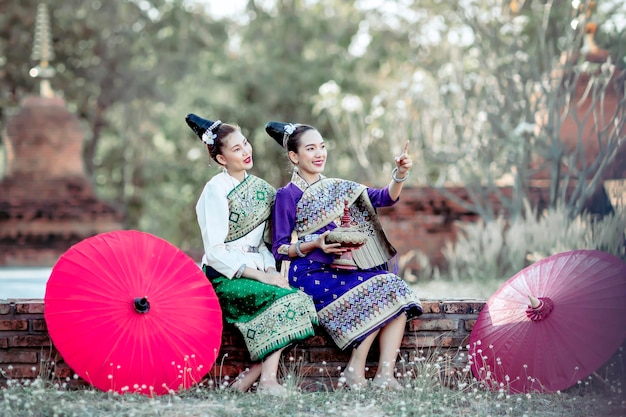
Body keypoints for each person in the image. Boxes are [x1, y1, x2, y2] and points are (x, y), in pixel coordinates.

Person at [266, 121, 423, 390]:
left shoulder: (338, 187)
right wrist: (315, 244)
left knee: (396, 289)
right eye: (311, 148)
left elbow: (384, 198)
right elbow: (279, 249)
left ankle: (385, 375)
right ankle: (354, 370)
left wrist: (399, 173)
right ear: (294, 156)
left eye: (322, 147)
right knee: (379, 290)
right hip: (310, 274)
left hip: (345, 269)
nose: (319, 154)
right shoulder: (286, 196)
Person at [186, 114, 318, 396]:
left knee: (302, 302)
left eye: (245, 144)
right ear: (221, 159)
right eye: (236, 149)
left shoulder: (262, 190)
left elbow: (265, 245)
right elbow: (216, 251)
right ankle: (268, 383)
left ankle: (249, 379)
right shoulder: (214, 191)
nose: (246, 151)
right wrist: (260, 275)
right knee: (285, 300)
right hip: (224, 277)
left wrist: (271, 272)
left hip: (259, 271)